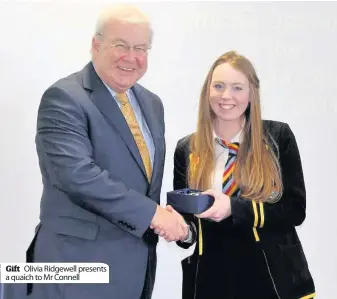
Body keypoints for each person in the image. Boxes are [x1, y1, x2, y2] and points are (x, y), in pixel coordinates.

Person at [10, 5, 188, 299]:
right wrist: (153, 215)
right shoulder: (65, 98)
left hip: (135, 267)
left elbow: (142, 181)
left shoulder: (152, 104)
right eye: (121, 45)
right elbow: (78, 177)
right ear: (96, 44)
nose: (132, 57)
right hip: (74, 267)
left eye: (141, 48)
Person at [171, 51, 316, 299]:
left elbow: (295, 209)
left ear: (251, 95)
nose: (226, 96)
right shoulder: (187, 149)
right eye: (219, 86)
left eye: (237, 88)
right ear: (208, 92)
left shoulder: (278, 136)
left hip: (273, 280)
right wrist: (181, 231)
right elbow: (189, 226)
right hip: (213, 281)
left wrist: (233, 208)